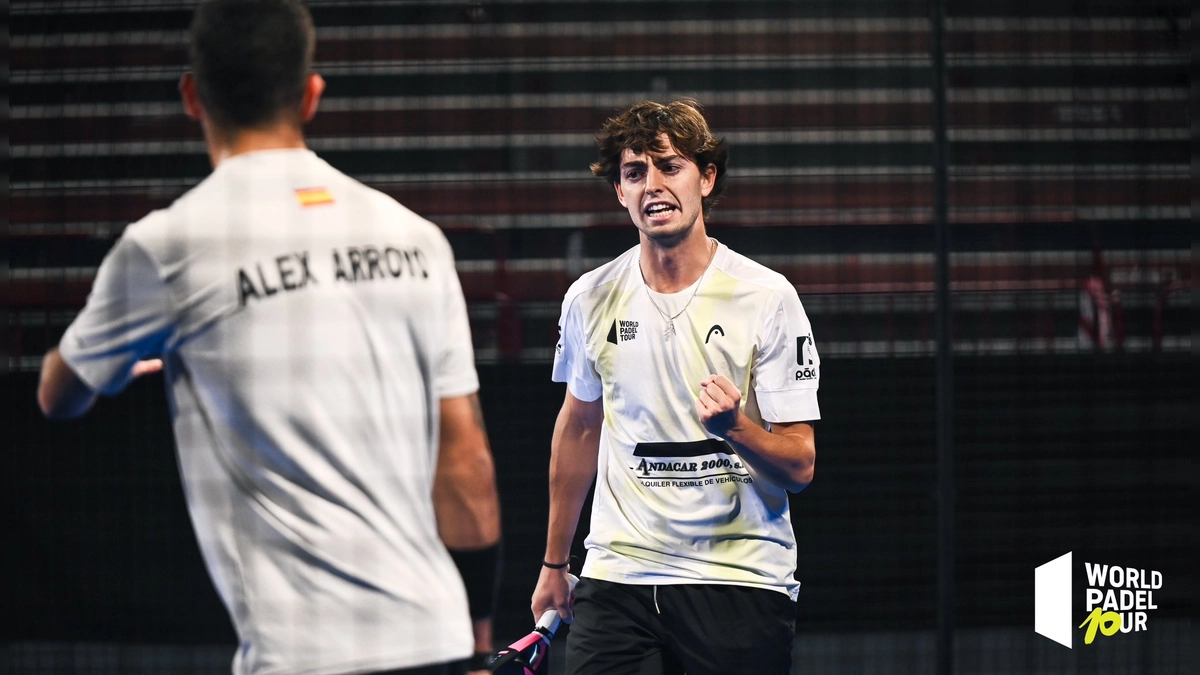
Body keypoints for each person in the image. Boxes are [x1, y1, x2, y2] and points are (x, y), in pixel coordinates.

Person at [36, 2, 501, 674]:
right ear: (312, 94)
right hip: (438, 636)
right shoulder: (416, 238)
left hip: (303, 658)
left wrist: (120, 356)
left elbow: (59, 392)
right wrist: (479, 641)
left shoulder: (167, 244)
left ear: (193, 97)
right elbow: (468, 463)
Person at [529, 99, 820, 675]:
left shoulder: (767, 297)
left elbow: (800, 466)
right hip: (619, 575)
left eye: (670, 166)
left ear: (707, 178)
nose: (652, 185)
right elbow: (580, 426)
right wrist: (554, 563)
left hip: (738, 578)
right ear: (619, 191)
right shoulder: (589, 297)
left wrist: (734, 428)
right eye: (634, 172)